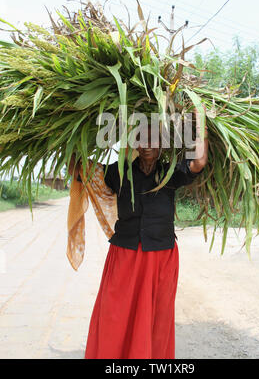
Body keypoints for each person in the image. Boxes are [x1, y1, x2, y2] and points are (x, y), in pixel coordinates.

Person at [68, 107, 208, 359]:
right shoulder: (118, 172)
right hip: (125, 253)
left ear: (163, 146)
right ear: (134, 142)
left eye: (154, 140)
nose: (147, 145)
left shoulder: (170, 173)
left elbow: (198, 161)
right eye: (141, 138)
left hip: (161, 256)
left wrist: (201, 120)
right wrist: (76, 129)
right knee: (114, 311)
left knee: (156, 317)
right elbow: (81, 169)